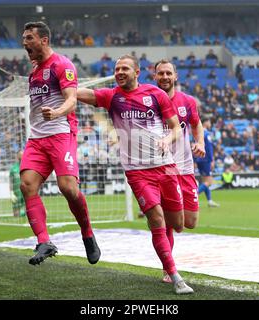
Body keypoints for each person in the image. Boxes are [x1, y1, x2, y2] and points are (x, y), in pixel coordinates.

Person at [77, 54, 194, 294]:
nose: (119, 72)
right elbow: (83, 94)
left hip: (166, 167)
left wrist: (166, 139)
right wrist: (65, 86)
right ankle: (174, 275)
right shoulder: (112, 96)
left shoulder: (156, 95)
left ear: (137, 72)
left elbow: (175, 129)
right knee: (157, 219)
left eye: (124, 68)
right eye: (117, 68)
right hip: (138, 173)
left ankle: (168, 261)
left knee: (178, 224)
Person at [21, 21, 100, 266]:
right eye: (24, 39)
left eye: (29, 38)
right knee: (26, 185)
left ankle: (87, 233)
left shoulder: (62, 65)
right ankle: (44, 241)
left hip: (61, 133)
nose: (25, 43)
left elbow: (71, 101)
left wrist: (56, 113)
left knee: (68, 188)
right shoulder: (34, 70)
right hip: (36, 138)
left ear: (44, 40)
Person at [154, 59, 205, 283]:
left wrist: (200, 142)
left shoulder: (187, 101)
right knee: (166, 221)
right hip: (162, 169)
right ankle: (168, 268)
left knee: (189, 223)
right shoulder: (148, 101)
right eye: (160, 73)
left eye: (168, 73)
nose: (164, 77)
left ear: (175, 76)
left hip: (185, 169)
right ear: (154, 77)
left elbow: (196, 123)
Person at [195, 118, 220, 207]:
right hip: (205, 160)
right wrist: (212, 160)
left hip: (199, 159)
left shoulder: (198, 133)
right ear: (205, 123)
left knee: (205, 181)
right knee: (209, 182)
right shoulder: (206, 134)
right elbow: (209, 149)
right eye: (209, 121)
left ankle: (209, 200)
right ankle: (193, 196)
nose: (210, 123)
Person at [10, 151, 25, 217]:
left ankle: (23, 213)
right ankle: (21, 213)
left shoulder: (27, 166)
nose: (21, 156)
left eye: (22, 155)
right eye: (20, 155)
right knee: (16, 215)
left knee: (29, 211)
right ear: (17, 156)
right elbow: (10, 181)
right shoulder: (13, 168)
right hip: (17, 192)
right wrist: (11, 192)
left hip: (25, 191)